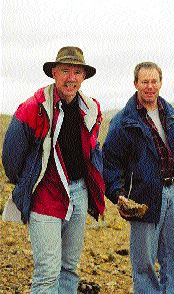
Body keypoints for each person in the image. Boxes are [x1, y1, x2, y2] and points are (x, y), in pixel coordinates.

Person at [2, 46, 105, 293]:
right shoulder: (34, 107)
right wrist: (30, 182)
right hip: (46, 195)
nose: (71, 78)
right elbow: (11, 157)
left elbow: (92, 150)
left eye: (77, 72)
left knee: (69, 267)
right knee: (48, 272)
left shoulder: (90, 108)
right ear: (54, 73)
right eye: (65, 71)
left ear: (83, 77)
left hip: (78, 193)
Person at [103, 61, 174, 293]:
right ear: (136, 84)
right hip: (143, 199)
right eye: (144, 82)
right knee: (144, 263)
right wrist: (118, 195)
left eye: (154, 81)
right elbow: (110, 162)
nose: (150, 86)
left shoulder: (171, 115)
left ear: (161, 83)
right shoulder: (123, 121)